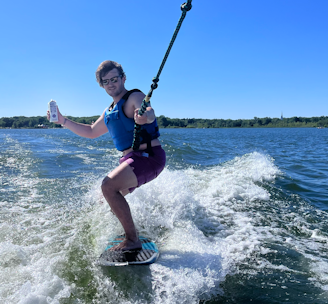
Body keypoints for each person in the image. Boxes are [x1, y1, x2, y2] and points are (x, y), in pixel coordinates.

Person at [47, 60, 166, 252]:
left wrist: (145, 117)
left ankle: (132, 239)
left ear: (123, 78)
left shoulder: (134, 97)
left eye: (114, 79)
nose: (111, 84)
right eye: (105, 81)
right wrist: (63, 121)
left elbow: (148, 111)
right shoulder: (109, 111)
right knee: (106, 199)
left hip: (149, 157)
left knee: (108, 186)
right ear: (101, 85)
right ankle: (130, 232)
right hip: (133, 160)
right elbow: (92, 131)